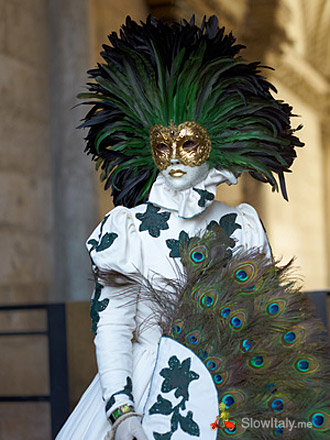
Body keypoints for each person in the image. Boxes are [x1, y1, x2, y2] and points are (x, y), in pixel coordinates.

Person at [55, 15, 306, 440]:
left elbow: (262, 321)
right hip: (145, 393)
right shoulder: (128, 230)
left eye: (188, 143)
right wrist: (122, 410)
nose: (173, 156)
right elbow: (113, 325)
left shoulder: (238, 223)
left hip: (231, 396)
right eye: (162, 144)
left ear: (213, 142)